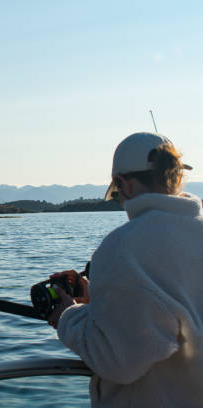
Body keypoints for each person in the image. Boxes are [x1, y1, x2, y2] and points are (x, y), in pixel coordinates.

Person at [48, 132, 203, 407]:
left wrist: (67, 316)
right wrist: (98, 301)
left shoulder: (124, 248)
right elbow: (175, 310)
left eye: (116, 192)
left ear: (123, 184)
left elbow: (118, 361)